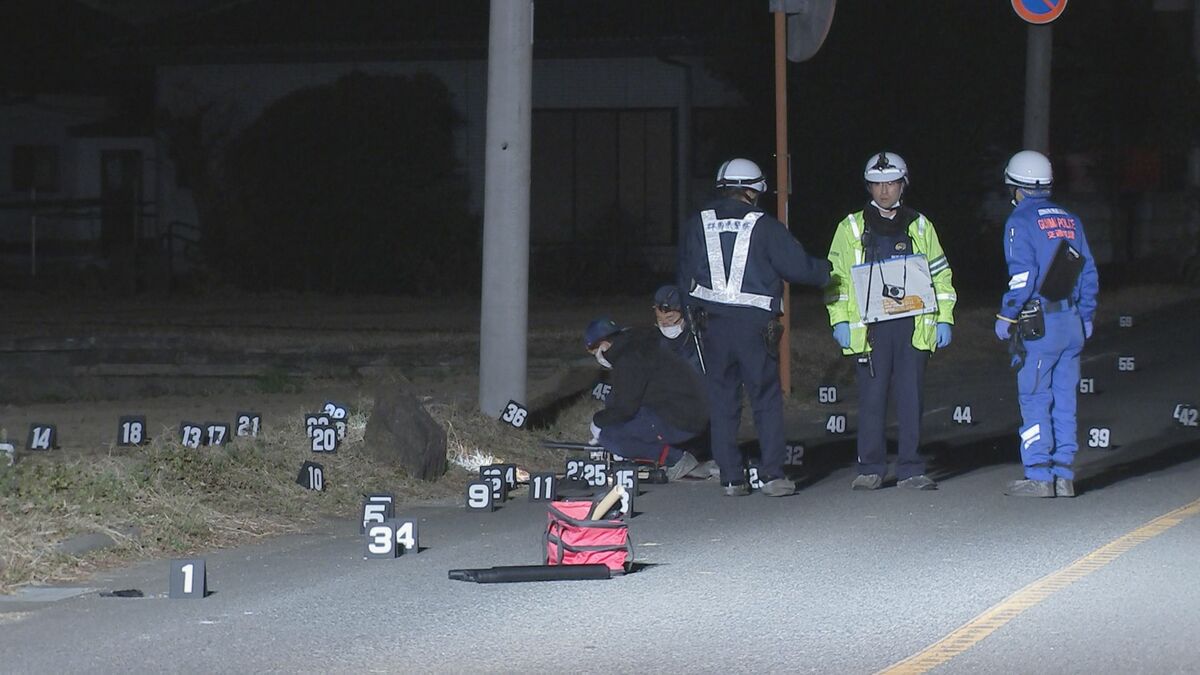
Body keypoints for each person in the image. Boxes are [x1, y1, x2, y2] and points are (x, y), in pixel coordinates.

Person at [678, 158, 831, 497]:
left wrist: (692, 316)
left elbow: (684, 276)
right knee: (765, 398)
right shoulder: (764, 225)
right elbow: (798, 268)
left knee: (722, 401)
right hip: (753, 327)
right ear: (753, 190)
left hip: (711, 326)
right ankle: (772, 475)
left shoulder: (696, 223)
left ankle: (731, 477)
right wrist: (827, 271)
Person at [825, 152, 957, 491]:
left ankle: (911, 468)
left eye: (891, 183)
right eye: (877, 184)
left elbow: (941, 275)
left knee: (911, 400)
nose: (884, 191)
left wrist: (945, 319)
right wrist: (839, 321)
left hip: (912, 325)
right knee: (872, 399)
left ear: (903, 184)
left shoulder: (921, 226)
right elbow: (836, 279)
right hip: (871, 328)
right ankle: (871, 468)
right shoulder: (850, 228)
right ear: (868, 186)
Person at [994, 150, 1099, 498]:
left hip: (1040, 325)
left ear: (1016, 187)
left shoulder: (1020, 221)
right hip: (1071, 321)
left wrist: (1007, 315)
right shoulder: (1071, 219)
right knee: (1065, 400)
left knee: (1036, 397)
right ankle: (1064, 475)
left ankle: (1039, 474)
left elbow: (1022, 276)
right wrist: (1086, 315)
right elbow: (1088, 272)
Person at [584, 317, 709, 481]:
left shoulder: (628, 359)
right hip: (691, 409)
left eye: (594, 351)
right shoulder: (638, 345)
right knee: (616, 413)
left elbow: (626, 409)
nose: (597, 356)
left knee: (611, 437)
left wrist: (598, 422)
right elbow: (620, 397)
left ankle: (676, 460)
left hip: (682, 417)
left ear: (605, 344)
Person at [652, 284, 704, 374]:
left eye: (670, 318)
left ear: (685, 315)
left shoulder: (700, 344)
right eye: (660, 319)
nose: (665, 324)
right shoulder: (661, 345)